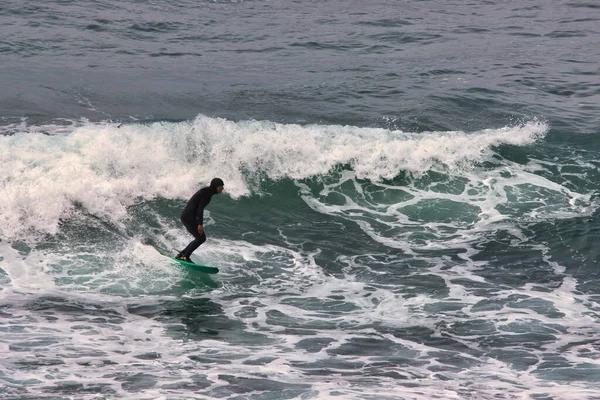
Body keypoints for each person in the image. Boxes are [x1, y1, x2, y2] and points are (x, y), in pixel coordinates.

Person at [176, 178, 224, 262]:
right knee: (201, 238)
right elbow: (200, 209)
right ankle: (185, 256)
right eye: (221, 186)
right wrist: (200, 224)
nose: (222, 188)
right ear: (216, 186)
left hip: (187, 216)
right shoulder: (206, 193)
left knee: (199, 238)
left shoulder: (207, 191)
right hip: (188, 216)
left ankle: (182, 254)